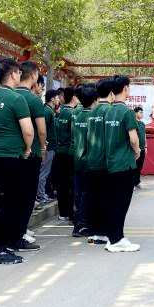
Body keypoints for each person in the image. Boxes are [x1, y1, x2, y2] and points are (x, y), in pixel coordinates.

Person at [0, 58, 33, 265]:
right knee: (6, 203)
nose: (20, 75)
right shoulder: (16, 99)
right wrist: (27, 148)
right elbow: (28, 131)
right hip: (9, 157)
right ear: (12, 75)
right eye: (18, 72)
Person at [103, 75, 141, 252]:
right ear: (125, 88)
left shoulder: (108, 111)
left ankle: (112, 237)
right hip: (125, 163)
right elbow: (133, 138)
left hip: (110, 163)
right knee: (121, 202)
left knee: (112, 201)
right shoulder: (127, 112)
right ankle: (117, 239)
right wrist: (137, 150)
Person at [11, 61, 46, 252]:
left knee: (13, 194)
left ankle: (13, 232)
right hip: (31, 153)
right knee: (27, 196)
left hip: (12, 154)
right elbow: (41, 130)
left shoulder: (10, 95)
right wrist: (42, 147)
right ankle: (20, 234)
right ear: (33, 75)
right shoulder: (34, 100)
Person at [85, 78, 114, 245]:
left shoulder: (93, 110)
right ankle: (102, 232)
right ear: (111, 93)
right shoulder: (109, 110)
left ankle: (93, 231)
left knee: (92, 196)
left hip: (91, 159)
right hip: (104, 161)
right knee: (105, 197)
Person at [71, 84, 98, 237]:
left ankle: (78, 223)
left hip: (77, 159)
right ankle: (82, 225)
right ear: (95, 99)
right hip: (89, 161)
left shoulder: (78, 114)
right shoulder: (93, 116)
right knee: (87, 194)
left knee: (79, 192)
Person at [52, 87, 77, 222]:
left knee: (61, 183)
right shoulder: (72, 114)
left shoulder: (59, 112)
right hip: (69, 153)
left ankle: (63, 212)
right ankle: (71, 212)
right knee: (70, 183)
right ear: (73, 98)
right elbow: (74, 135)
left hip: (58, 151)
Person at [37, 89, 60, 204]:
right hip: (48, 147)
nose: (59, 100)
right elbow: (42, 128)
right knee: (44, 173)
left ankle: (42, 194)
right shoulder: (47, 111)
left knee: (45, 172)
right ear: (52, 99)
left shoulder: (50, 111)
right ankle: (40, 196)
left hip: (51, 147)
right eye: (57, 97)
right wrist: (44, 144)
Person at [133, 106, 147, 190]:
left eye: (142, 113)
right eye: (140, 112)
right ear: (135, 113)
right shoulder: (133, 123)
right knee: (134, 166)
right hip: (136, 149)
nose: (142, 114)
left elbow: (144, 135)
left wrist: (146, 146)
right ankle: (132, 183)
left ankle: (137, 182)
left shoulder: (142, 124)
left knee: (140, 166)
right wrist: (136, 148)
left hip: (142, 148)